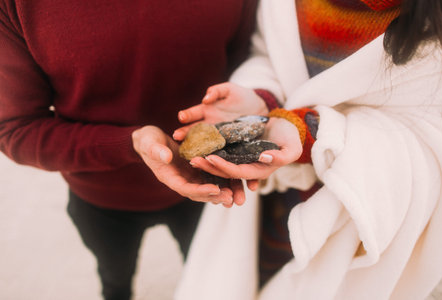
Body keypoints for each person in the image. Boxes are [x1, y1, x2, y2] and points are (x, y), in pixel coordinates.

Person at [173, 0, 442, 299]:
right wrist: (260, 98)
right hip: (263, 202)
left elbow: (433, 134)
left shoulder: (438, 25)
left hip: (352, 220)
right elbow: (269, 54)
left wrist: (311, 133)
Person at [0, 1, 259, 299]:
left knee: (209, 282)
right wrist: (129, 143)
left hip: (211, 186)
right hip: (102, 198)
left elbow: (252, 62)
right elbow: (15, 130)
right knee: (115, 282)